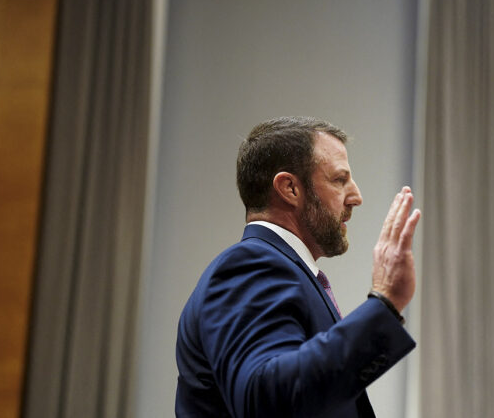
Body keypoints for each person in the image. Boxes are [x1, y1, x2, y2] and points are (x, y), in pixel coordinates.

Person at [175, 116, 421, 417]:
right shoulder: (249, 265)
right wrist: (384, 303)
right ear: (290, 188)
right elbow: (266, 400)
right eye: (339, 180)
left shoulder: (283, 271)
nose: (356, 197)